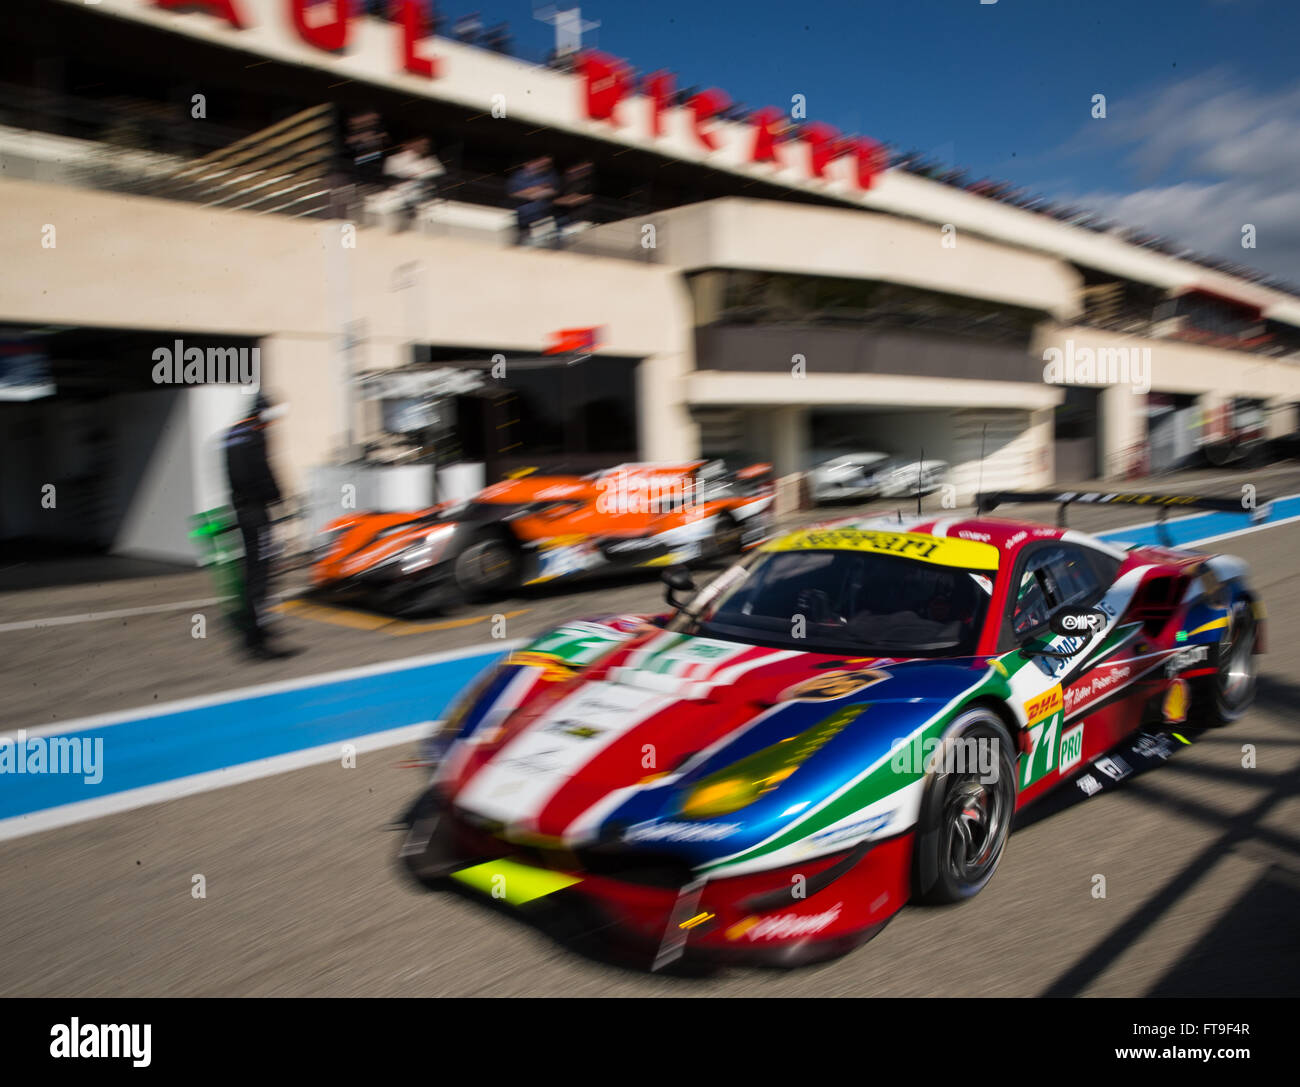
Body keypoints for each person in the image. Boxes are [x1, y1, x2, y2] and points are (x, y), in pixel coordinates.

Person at [223, 394, 293, 660]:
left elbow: (234, 476)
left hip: (241, 511)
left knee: (250, 571)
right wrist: (278, 496)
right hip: (256, 512)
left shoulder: (232, 433)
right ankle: (257, 641)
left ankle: (254, 628)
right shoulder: (254, 434)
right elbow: (263, 470)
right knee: (261, 575)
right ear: (263, 413)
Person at [382, 136, 445, 231]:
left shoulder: (429, 161)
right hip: (401, 190)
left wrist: (419, 175)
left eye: (426, 145)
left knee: (416, 187)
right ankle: (406, 210)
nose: (424, 147)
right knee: (409, 189)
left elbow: (438, 172)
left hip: (421, 191)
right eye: (421, 144)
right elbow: (392, 172)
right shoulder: (397, 159)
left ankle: (408, 210)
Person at [507, 155, 558, 246]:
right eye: (541, 163)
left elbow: (550, 192)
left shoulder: (550, 175)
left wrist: (533, 192)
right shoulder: (519, 175)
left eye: (547, 164)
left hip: (541, 217)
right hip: (521, 216)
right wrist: (536, 190)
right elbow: (514, 193)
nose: (544, 166)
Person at [552, 161, 593, 246]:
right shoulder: (563, 181)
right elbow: (556, 200)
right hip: (561, 216)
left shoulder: (586, 184)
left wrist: (573, 199)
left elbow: (578, 200)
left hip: (576, 218)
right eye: (580, 169)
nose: (582, 172)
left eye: (586, 170)